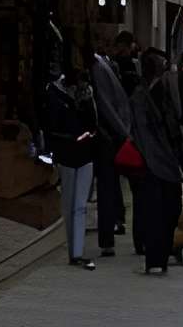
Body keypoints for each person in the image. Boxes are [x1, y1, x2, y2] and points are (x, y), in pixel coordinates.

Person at [129, 47, 183, 275]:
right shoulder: (141, 97)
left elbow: (174, 123)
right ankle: (155, 257)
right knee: (156, 210)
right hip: (152, 162)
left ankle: (159, 255)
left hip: (163, 160)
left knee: (167, 208)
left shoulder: (160, 93)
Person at [44, 54, 99, 269]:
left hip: (78, 152)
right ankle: (74, 251)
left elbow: (92, 123)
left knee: (76, 205)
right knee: (72, 205)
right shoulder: (57, 94)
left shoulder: (80, 94)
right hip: (71, 152)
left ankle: (76, 251)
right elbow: (52, 126)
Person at [91, 30, 133, 257]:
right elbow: (108, 103)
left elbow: (107, 103)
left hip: (109, 135)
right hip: (110, 135)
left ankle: (111, 228)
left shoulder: (102, 66)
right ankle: (113, 225)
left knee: (108, 185)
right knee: (109, 185)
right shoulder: (101, 66)